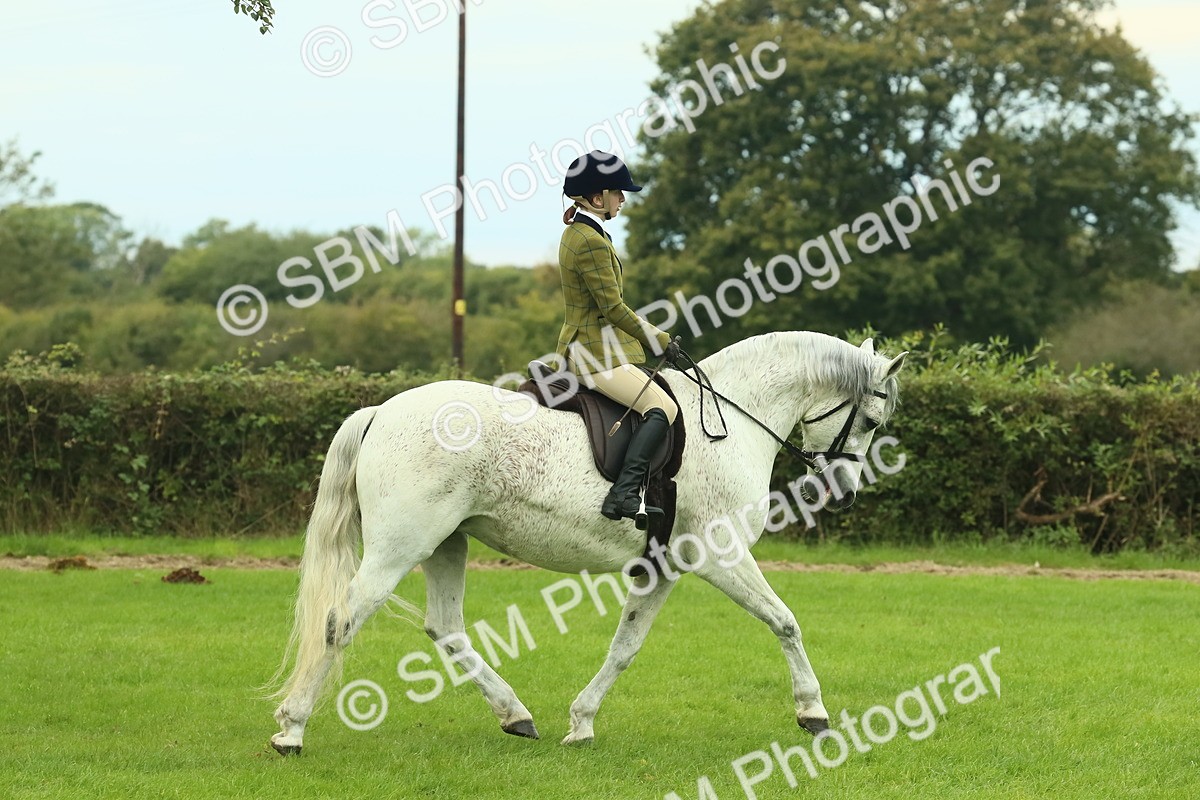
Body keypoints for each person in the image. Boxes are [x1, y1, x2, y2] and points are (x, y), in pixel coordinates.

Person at [555, 150, 681, 523]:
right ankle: (622, 494)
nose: (623, 200)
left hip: (592, 345)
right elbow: (612, 308)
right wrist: (658, 339)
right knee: (663, 409)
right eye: (618, 193)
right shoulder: (590, 241)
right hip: (594, 352)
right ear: (597, 198)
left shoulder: (580, 231)